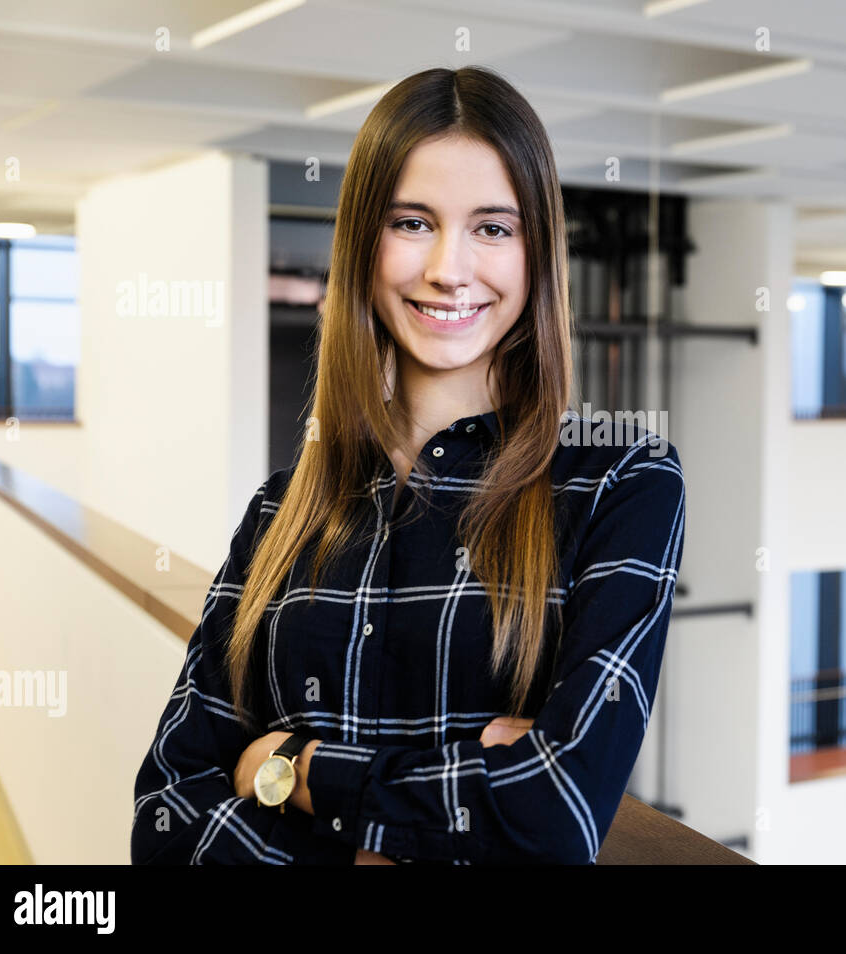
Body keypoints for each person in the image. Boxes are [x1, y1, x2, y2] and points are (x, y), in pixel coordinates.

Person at [129, 65, 685, 865]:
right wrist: (452, 801)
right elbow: (165, 820)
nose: (448, 269)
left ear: (537, 255)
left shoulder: (620, 480)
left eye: (493, 228)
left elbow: (555, 812)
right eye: (413, 222)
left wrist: (295, 768)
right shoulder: (280, 512)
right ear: (364, 241)